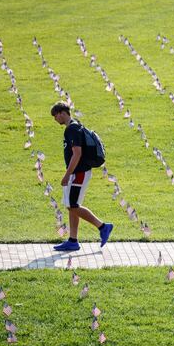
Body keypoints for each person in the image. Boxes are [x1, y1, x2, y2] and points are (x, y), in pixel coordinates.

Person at [50, 102, 112, 250]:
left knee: (72, 205)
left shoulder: (72, 129)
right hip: (78, 172)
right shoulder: (76, 125)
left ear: (62, 113)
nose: (55, 119)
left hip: (79, 173)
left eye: (55, 116)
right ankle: (73, 240)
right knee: (72, 206)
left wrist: (67, 175)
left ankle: (103, 227)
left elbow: (77, 153)